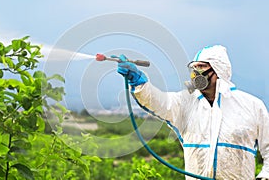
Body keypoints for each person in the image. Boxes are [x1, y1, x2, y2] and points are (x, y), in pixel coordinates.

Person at [115, 45, 269, 180]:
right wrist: (139, 82)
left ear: (218, 69)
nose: (196, 72)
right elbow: (160, 102)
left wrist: (265, 176)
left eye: (201, 66)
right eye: (193, 67)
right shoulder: (185, 104)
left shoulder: (252, 106)